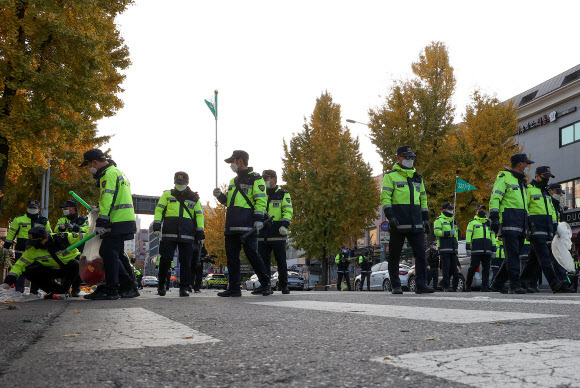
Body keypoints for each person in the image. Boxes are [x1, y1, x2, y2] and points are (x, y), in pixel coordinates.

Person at [80, 149, 138, 300]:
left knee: (108, 252)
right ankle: (123, 286)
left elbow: (107, 198)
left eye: (88, 165)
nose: (89, 169)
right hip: (124, 219)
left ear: (94, 162)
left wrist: (102, 221)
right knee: (114, 253)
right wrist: (99, 210)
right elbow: (117, 198)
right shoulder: (118, 172)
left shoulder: (108, 175)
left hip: (117, 220)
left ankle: (114, 288)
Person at [213, 150, 271, 297]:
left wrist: (258, 220)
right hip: (232, 223)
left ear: (239, 161)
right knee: (232, 258)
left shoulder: (256, 179)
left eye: (232, 162)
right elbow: (229, 202)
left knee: (252, 255)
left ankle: (266, 285)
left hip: (247, 225)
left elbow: (261, 200)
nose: (231, 165)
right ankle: (234, 288)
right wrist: (220, 196)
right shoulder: (233, 181)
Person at [381, 145, 434, 295]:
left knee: (421, 255)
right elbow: (385, 197)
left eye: (412, 158)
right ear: (399, 158)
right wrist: (390, 216)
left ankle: (421, 284)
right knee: (395, 255)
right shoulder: (390, 176)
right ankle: (396, 285)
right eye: (407, 157)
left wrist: (426, 219)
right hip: (398, 221)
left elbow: (423, 199)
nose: (410, 160)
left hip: (416, 222)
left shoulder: (418, 178)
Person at [519, 166, 571, 293]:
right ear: (536, 176)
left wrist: (554, 226)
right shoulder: (528, 190)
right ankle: (555, 283)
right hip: (535, 229)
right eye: (545, 177)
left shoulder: (546, 192)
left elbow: (551, 211)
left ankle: (522, 282)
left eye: (548, 177)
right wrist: (529, 223)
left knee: (534, 260)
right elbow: (524, 208)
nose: (547, 179)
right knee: (544, 257)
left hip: (547, 230)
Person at [152, 171, 204, 297]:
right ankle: (162, 285)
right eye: (177, 182)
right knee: (165, 260)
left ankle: (184, 287)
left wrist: (201, 232)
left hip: (187, 233)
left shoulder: (194, 197)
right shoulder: (167, 194)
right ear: (174, 181)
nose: (179, 185)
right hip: (169, 232)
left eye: (182, 182)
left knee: (186, 262)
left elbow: (199, 215)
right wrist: (157, 226)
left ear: (187, 182)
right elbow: (159, 210)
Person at [489, 153, 534, 294]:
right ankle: (514, 285)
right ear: (520, 164)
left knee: (512, 255)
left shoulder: (522, 182)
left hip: (521, 222)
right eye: (526, 163)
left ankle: (497, 283)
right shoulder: (505, 177)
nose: (527, 166)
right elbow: (495, 197)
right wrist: (494, 217)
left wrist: (529, 220)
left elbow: (524, 204)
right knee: (513, 254)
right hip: (509, 221)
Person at [0, 227, 80, 299]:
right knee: (28, 271)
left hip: (70, 268)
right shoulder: (32, 249)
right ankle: (58, 291)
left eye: (37, 242)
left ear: (46, 238)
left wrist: (91, 230)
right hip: (52, 270)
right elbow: (20, 265)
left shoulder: (62, 238)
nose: (35, 246)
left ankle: (69, 289)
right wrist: (9, 281)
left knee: (75, 263)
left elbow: (84, 235)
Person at [258, 169, 293, 294]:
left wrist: (285, 225)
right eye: (264, 178)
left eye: (267, 178)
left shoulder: (283, 194)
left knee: (281, 261)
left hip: (278, 233)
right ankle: (265, 285)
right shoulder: (260, 193)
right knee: (262, 262)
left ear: (275, 179)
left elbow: (288, 211)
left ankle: (284, 285)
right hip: (262, 233)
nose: (265, 180)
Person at [4, 200, 51, 293]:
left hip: (37, 249)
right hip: (21, 249)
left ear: (38, 209)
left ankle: (34, 291)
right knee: (20, 269)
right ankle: (19, 290)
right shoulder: (18, 219)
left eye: (34, 208)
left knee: (36, 270)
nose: (32, 209)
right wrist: (7, 245)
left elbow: (49, 234)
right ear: (27, 208)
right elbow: (11, 233)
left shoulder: (44, 221)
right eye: (30, 208)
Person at [465, 205, 496, 292]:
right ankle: (467, 285)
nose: (482, 211)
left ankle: (484, 286)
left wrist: (494, 249)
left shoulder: (489, 223)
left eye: (483, 209)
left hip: (487, 250)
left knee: (486, 269)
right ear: (476, 212)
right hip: (476, 250)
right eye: (479, 210)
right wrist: (467, 247)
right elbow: (468, 236)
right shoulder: (472, 223)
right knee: (473, 267)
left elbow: (492, 236)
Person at [434, 203, 460, 292]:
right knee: (446, 268)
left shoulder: (453, 221)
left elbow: (456, 235)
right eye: (449, 209)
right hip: (444, 248)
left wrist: (456, 245)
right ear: (444, 209)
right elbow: (436, 232)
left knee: (455, 270)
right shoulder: (439, 220)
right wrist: (448, 233)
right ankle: (446, 286)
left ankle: (454, 287)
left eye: (452, 209)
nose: (451, 210)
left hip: (453, 248)